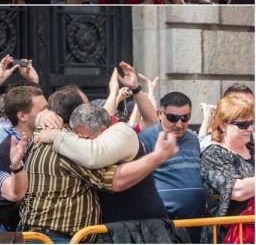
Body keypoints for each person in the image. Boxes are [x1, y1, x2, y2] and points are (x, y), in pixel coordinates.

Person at [20, 87, 178, 243]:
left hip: (140, 228)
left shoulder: (40, 138)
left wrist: (51, 128)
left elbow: (94, 154)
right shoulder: (67, 145)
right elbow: (111, 179)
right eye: (86, 106)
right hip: (64, 236)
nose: (92, 109)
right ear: (77, 114)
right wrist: (156, 157)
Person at [138, 91, 205, 242]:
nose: (179, 124)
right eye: (173, 118)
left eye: (185, 118)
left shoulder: (193, 139)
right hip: (162, 224)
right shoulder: (144, 138)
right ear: (160, 114)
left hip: (195, 222)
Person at [200, 96, 255, 243]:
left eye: (251, 123)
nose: (250, 129)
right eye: (243, 124)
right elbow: (237, 191)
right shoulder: (213, 154)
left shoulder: (253, 150)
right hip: (225, 237)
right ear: (224, 125)